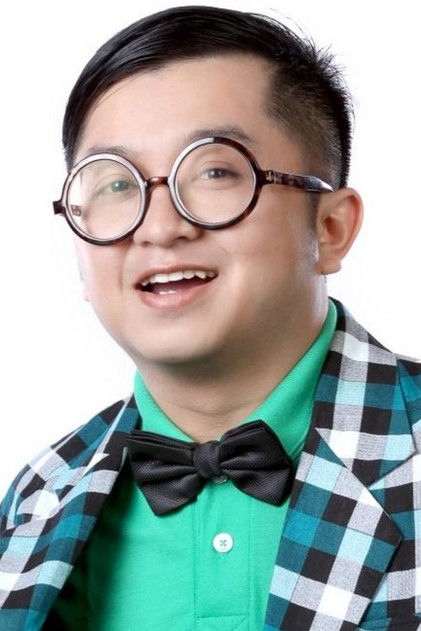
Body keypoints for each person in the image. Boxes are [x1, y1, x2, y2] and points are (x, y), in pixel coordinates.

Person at [0, 5, 420, 630]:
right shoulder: (37, 500)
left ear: (331, 228)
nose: (158, 228)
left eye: (216, 171)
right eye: (116, 185)